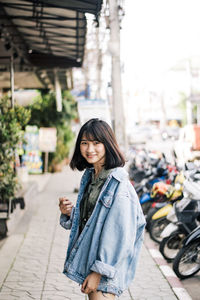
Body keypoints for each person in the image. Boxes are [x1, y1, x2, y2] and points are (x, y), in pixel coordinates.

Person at [59, 118, 146, 300]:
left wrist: (98, 272)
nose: (90, 149)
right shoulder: (91, 176)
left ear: (108, 144)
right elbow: (94, 221)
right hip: (94, 262)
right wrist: (70, 213)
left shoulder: (118, 185)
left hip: (105, 271)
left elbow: (120, 234)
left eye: (96, 143)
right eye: (84, 143)